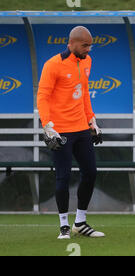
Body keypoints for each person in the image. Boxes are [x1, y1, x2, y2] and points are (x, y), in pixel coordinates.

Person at [37, 26, 104, 239]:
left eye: (90, 46)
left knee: (91, 173)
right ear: (72, 43)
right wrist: (48, 126)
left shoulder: (87, 61)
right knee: (63, 177)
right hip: (61, 131)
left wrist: (92, 120)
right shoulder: (53, 65)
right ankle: (64, 225)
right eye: (85, 45)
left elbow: (83, 93)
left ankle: (80, 222)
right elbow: (43, 96)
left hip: (82, 128)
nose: (88, 49)